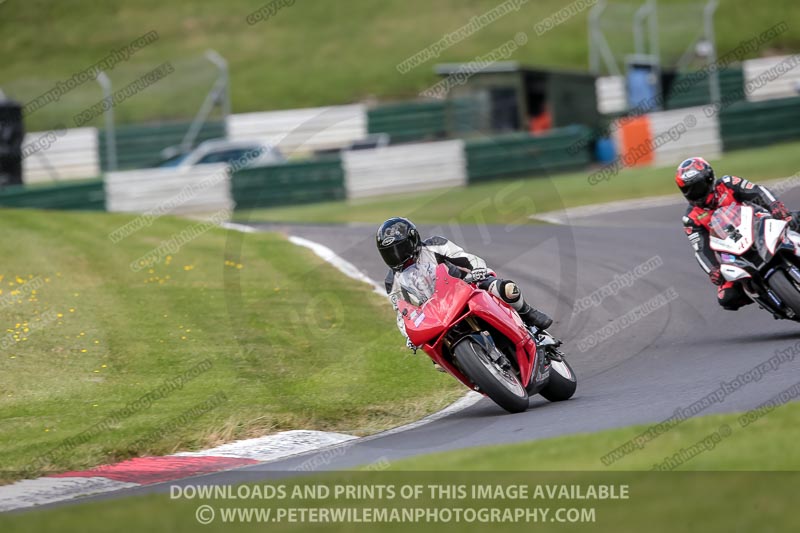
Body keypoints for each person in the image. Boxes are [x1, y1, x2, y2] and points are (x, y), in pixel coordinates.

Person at [375, 217, 553, 350]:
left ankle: (528, 313)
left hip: (464, 287)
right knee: (435, 353)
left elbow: (465, 258)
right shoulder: (392, 280)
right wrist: (409, 335)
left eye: (401, 249)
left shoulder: (434, 245)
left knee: (507, 289)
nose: (397, 256)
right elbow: (401, 313)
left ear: (413, 240)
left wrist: (477, 270)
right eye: (390, 253)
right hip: (437, 314)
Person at [676, 156, 795, 310]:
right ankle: (763, 295)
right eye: (688, 190)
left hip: (757, 225)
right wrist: (713, 270)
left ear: (709, 178)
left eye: (697, 187)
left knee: (794, 220)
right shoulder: (690, 218)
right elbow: (700, 248)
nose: (694, 193)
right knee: (727, 298)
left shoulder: (728, 183)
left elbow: (758, 192)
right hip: (731, 251)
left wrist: (775, 206)